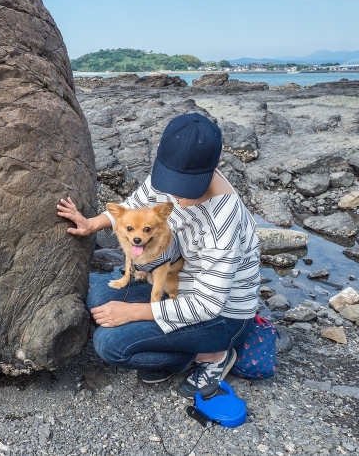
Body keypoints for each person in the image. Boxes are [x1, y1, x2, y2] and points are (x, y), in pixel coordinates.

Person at [57, 112, 260, 398]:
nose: (177, 196)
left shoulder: (223, 222)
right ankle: (171, 341)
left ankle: (209, 356)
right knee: (98, 298)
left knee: (109, 344)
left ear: (216, 166)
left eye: (187, 189)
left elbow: (207, 305)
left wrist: (132, 313)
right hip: (173, 283)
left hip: (221, 316)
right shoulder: (170, 174)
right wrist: (92, 224)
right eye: (170, 183)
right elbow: (133, 208)